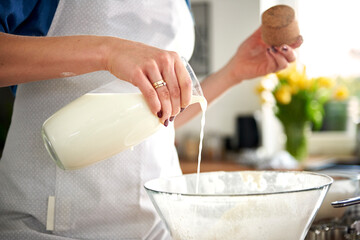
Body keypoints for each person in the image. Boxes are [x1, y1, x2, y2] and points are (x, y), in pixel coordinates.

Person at [0, 0, 302, 239]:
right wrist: (108, 52)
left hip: (159, 228)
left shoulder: (179, 5)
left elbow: (158, 120)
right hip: (49, 228)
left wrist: (235, 71)